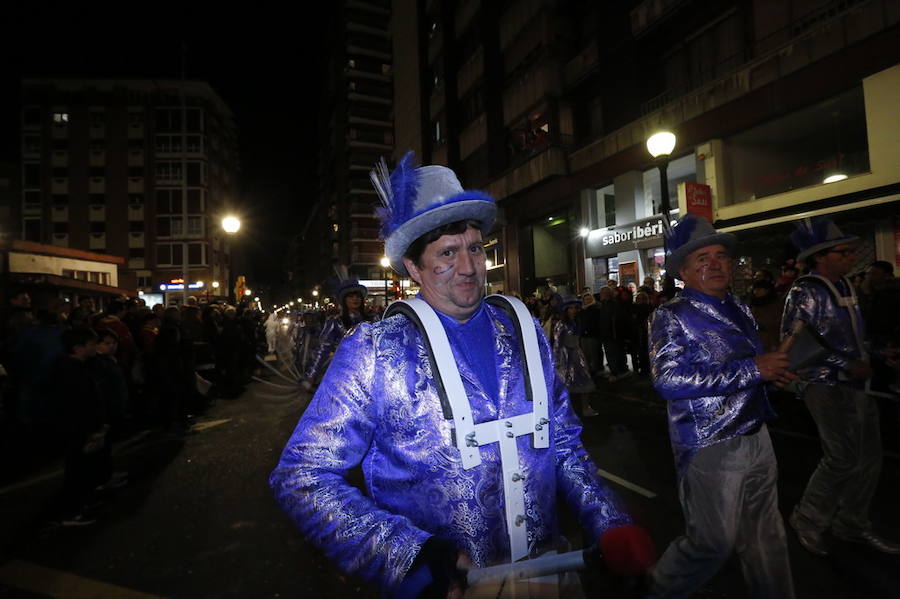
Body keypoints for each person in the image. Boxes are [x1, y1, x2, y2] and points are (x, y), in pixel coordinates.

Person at [271, 152, 637, 598]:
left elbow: (560, 441)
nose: (469, 268)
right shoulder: (376, 349)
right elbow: (302, 476)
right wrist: (409, 556)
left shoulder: (524, 330)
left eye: (476, 248)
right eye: (447, 253)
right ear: (413, 267)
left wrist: (608, 520)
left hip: (551, 573)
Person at [647, 214, 796, 599]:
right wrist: (753, 369)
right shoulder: (670, 315)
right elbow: (668, 380)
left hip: (756, 434)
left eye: (720, 256)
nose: (714, 264)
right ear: (682, 270)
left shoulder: (740, 308)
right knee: (712, 542)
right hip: (710, 442)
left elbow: (752, 368)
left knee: (767, 535)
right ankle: (661, 588)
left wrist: (770, 374)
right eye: (701, 258)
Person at [782, 217, 900, 556]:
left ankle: (851, 523)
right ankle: (807, 518)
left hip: (856, 384)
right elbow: (797, 343)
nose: (850, 256)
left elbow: (852, 339)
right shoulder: (805, 290)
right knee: (842, 457)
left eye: (850, 251)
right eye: (843, 251)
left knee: (868, 458)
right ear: (820, 256)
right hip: (824, 385)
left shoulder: (846, 286)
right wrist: (846, 363)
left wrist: (879, 353)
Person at [302, 275, 373, 389]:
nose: (355, 299)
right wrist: (311, 375)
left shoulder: (372, 320)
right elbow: (322, 349)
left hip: (369, 374)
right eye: (350, 296)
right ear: (344, 300)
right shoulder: (335, 322)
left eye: (357, 296)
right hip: (344, 375)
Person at [553, 296, 599, 417]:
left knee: (584, 380)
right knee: (566, 383)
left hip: (577, 354)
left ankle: (585, 408)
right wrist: (557, 360)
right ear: (566, 310)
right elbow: (557, 343)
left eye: (575, 308)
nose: (573, 310)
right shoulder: (561, 324)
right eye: (570, 308)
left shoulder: (577, 321)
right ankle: (566, 412)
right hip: (566, 357)